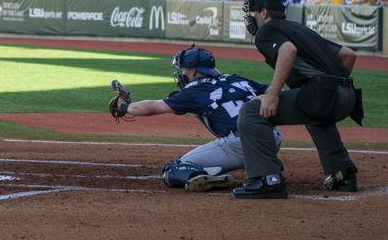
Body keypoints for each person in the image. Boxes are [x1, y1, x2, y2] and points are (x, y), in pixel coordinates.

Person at [233, 0, 363, 199]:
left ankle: (267, 179)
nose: (252, 18)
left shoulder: (266, 32)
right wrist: (334, 88)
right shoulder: (299, 28)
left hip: (325, 94)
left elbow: (288, 51)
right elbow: (348, 55)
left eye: (254, 13)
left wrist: (273, 94)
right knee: (315, 113)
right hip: (349, 97)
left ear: (264, 13)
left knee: (250, 112)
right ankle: (342, 174)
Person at [110, 45, 281, 192]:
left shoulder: (195, 90)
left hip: (242, 143)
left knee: (175, 169)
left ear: (193, 70)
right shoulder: (235, 79)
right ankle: (264, 163)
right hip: (272, 137)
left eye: (184, 69)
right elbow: (273, 91)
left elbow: (152, 107)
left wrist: (123, 107)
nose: (182, 73)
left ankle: (207, 177)